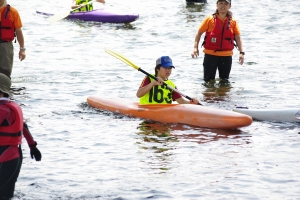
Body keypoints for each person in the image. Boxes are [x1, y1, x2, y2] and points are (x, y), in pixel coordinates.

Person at [0, 73, 42, 199]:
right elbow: (24, 128)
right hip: (14, 157)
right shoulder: (12, 107)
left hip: (5, 159)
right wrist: (33, 147)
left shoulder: (2, 110)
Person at [191, 0, 244, 82]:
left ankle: (223, 94)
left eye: (226, 4)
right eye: (221, 3)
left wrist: (241, 52)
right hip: (210, 55)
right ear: (217, 5)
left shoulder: (233, 22)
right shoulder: (209, 19)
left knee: (225, 81)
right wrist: (195, 48)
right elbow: (199, 33)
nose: (223, 5)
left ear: (229, 6)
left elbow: (237, 37)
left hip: (226, 56)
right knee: (208, 81)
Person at [0, 0, 26, 79]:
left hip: (6, 46)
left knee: (5, 73)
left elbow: (19, 31)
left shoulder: (13, 12)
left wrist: (22, 49)